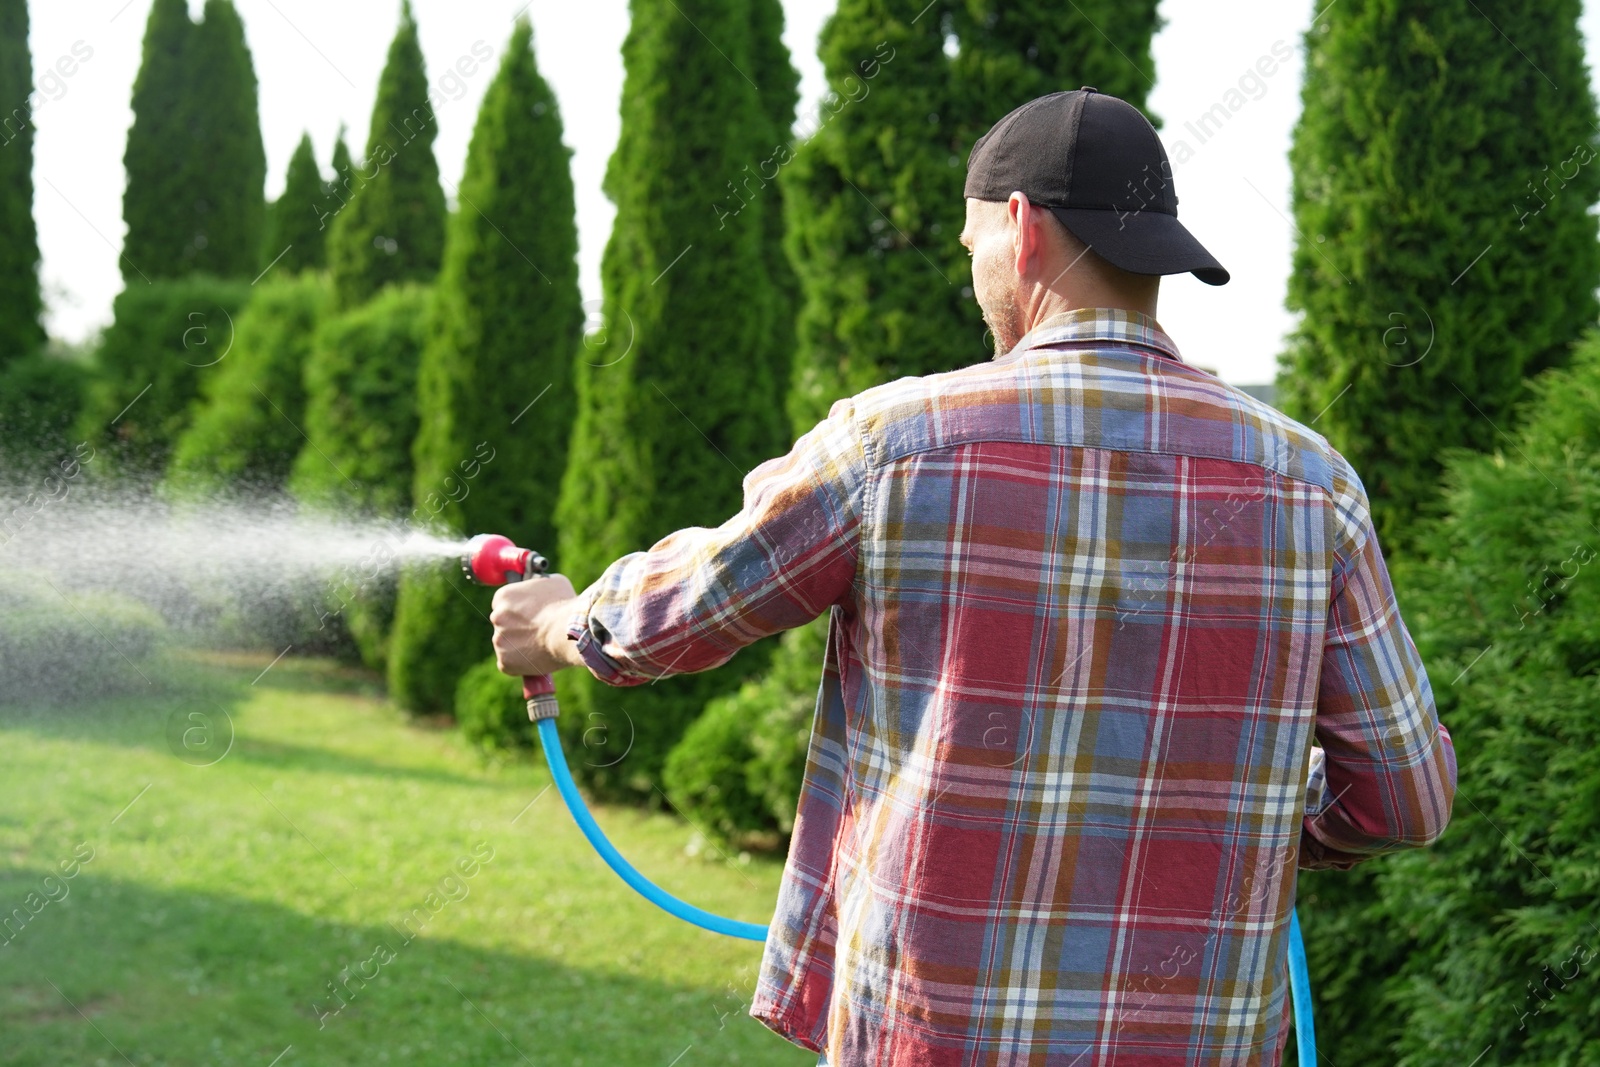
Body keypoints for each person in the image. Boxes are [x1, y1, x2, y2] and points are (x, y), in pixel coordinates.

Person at [489, 88, 1457, 1066]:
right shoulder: (1307, 483)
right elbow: (1404, 798)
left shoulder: (893, 445)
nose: (974, 270)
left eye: (971, 245)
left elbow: (668, 618)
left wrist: (558, 620)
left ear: (1022, 230)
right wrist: (1237, 809)